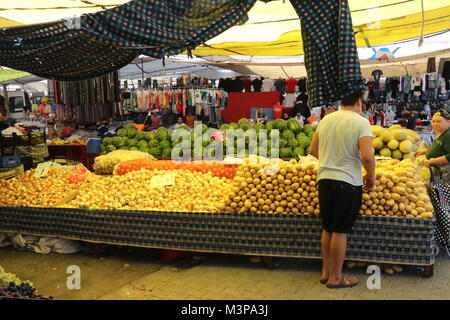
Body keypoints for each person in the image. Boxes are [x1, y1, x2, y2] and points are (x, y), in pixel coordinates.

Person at [309, 89, 376, 289]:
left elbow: (313, 150)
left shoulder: (326, 120)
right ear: (358, 102)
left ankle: (326, 272)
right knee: (340, 230)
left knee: (328, 227)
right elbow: (367, 155)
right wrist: (371, 177)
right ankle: (336, 278)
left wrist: (331, 162)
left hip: (324, 179)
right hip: (347, 181)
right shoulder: (361, 121)